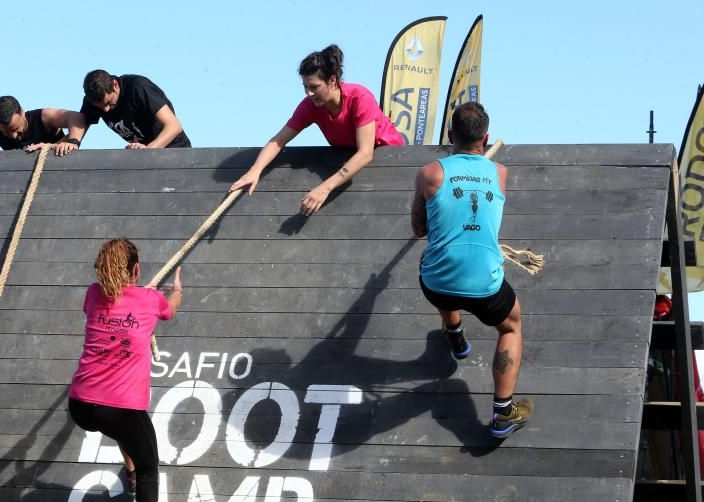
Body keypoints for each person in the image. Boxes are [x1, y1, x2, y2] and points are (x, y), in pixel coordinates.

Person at [411, 101, 532, 438]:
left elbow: (419, 229)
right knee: (511, 327)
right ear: (486, 137)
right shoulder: (500, 174)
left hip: (438, 283)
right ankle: (502, 413)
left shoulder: (429, 173)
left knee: (433, 264)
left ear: (450, 135)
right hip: (485, 287)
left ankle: (455, 335)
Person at [67, 239, 183, 502]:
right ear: (136, 269)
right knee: (150, 467)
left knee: (120, 430)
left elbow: (109, 300)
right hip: (118, 408)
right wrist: (177, 291)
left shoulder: (92, 294)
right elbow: (169, 309)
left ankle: (128, 472)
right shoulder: (150, 299)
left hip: (80, 406)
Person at [230, 44, 404, 216]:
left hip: (393, 165)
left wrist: (324, 188)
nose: (309, 93)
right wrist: (255, 170)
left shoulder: (360, 97)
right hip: (351, 167)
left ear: (333, 80)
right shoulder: (310, 106)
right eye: (305, 87)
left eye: (314, 87)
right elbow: (278, 141)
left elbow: (365, 154)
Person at [68, 70, 191, 149]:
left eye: (109, 103)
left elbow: (174, 126)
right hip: (143, 158)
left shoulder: (138, 87)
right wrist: (71, 142)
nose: (105, 110)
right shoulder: (94, 100)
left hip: (175, 150)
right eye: (100, 107)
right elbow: (80, 126)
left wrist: (149, 151)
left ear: (115, 85)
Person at [0, 95, 81, 159]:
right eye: (7, 132)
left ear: (22, 112)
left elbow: (77, 118)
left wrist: (71, 141)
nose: (13, 136)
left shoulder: (43, 117)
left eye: (16, 129)